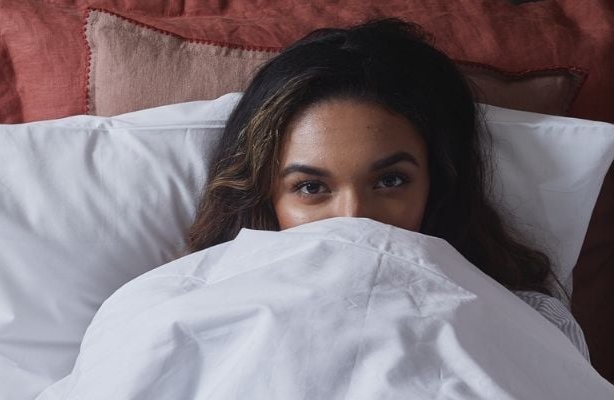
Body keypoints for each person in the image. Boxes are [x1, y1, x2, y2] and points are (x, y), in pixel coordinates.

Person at [186, 18, 589, 359]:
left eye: (390, 181)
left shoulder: (530, 324)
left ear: (439, 184)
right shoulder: (192, 316)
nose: (354, 218)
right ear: (264, 196)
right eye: (311, 187)